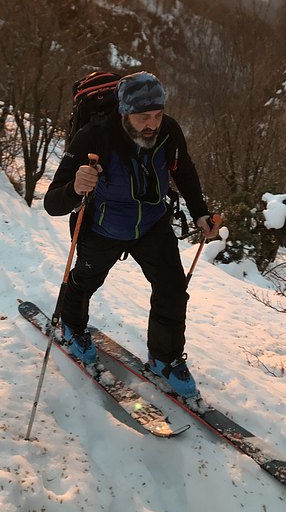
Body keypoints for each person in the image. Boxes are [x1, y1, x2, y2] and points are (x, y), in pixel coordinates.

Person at [43, 70, 218, 398]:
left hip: (152, 224)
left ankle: (164, 359)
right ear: (123, 112)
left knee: (172, 290)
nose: (152, 123)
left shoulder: (168, 131)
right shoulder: (93, 138)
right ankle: (72, 326)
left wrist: (201, 213)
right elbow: (53, 203)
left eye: (158, 114)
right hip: (103, 227)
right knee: (85, 281)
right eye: (143, 116)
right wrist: (74, 188)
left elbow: (186, 171)